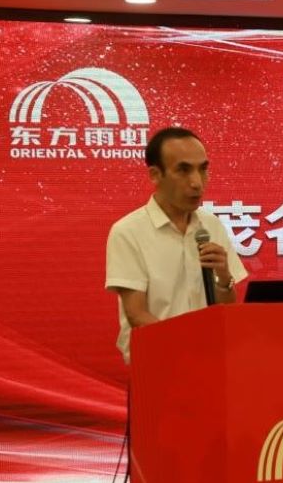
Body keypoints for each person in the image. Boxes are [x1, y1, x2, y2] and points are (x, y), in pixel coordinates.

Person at [105, 127, 248, 363]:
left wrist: (224, 278)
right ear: (155, 175)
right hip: (157, 363)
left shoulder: (211, 225)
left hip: (210, 362)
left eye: (203, 169)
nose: (197, 182)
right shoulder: (128, 231)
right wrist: (189, 350)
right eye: (183, 170)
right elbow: (136, 315)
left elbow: (227, 307)